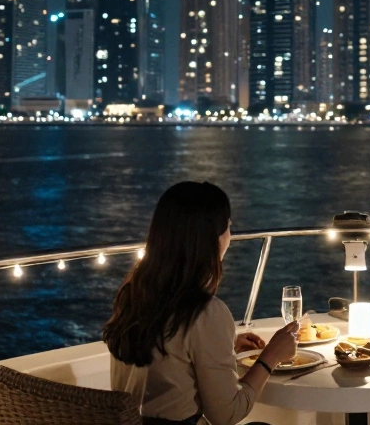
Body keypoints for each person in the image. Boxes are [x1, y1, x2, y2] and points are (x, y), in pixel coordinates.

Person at [104, 181, 298, 425]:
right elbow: (227, 414)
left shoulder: (132, 296)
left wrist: (223, 347)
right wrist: (271, 357)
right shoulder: (204, 312)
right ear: (211, 239)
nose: (230, 236)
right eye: (227, 228)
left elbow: (169, 357)